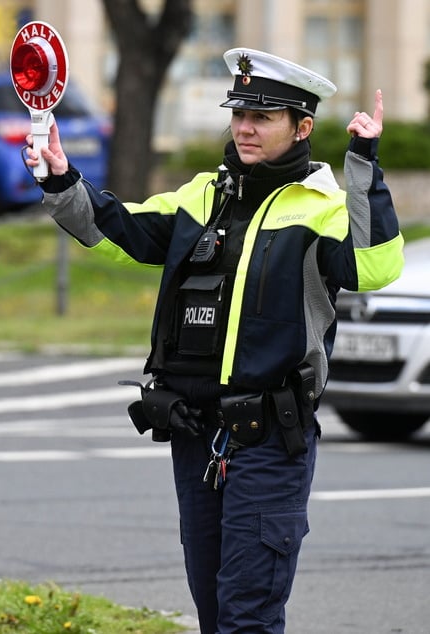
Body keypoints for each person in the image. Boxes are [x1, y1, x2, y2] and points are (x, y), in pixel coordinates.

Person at [24, 48, 404, 633]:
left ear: (302, 127)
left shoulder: (322, 207)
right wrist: (61, 179)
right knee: (214, 612)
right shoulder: (204, 195)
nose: (246, 127)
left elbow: (375, 268)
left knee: (245, 619)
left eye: (264, 117)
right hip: (196, 433)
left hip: (269, 438)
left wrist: (364, 167)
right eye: (239, 114)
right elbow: (122, 229)